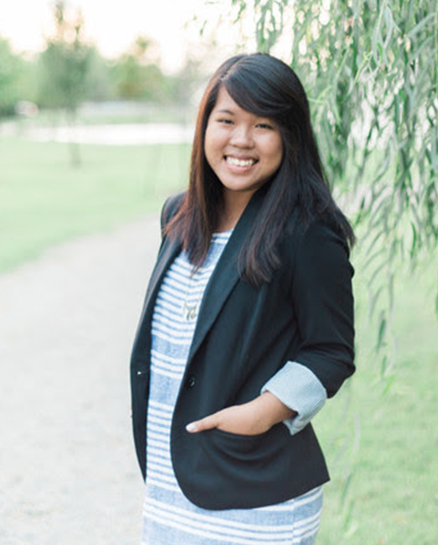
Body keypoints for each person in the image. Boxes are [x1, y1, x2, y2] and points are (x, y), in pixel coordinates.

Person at [129, 52, 355, 544]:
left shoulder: (307, 232)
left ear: (289, 137)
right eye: (226, 120)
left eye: (264, 125)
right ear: (204, 125)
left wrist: (264, 412)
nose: (241, 140)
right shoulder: (178, 217)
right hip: (173, 483)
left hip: (256, 490)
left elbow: (331, 349)